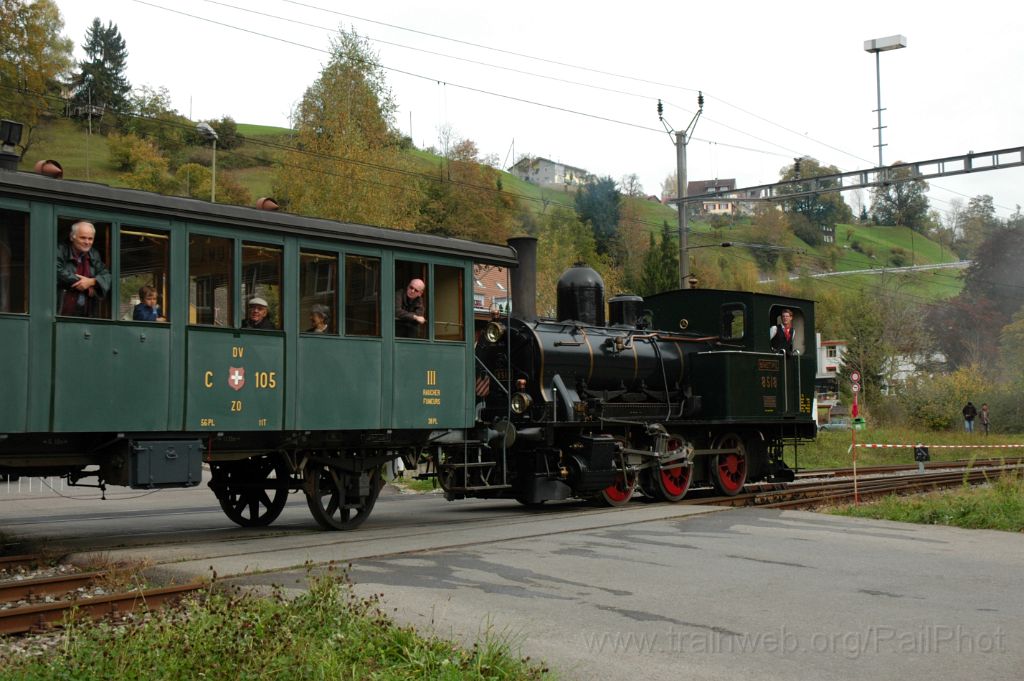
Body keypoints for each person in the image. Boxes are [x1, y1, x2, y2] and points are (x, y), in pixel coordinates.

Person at [57, 221, 110, 317]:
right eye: (83, 238)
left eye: (90, 239)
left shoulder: (94, 254)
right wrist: (86, 286)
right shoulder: (60, 250)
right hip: (61, 312)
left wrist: (92, 282)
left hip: (87, 313)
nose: (87, 242)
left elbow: (107, 276)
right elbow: (57, 271)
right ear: (71, 237)